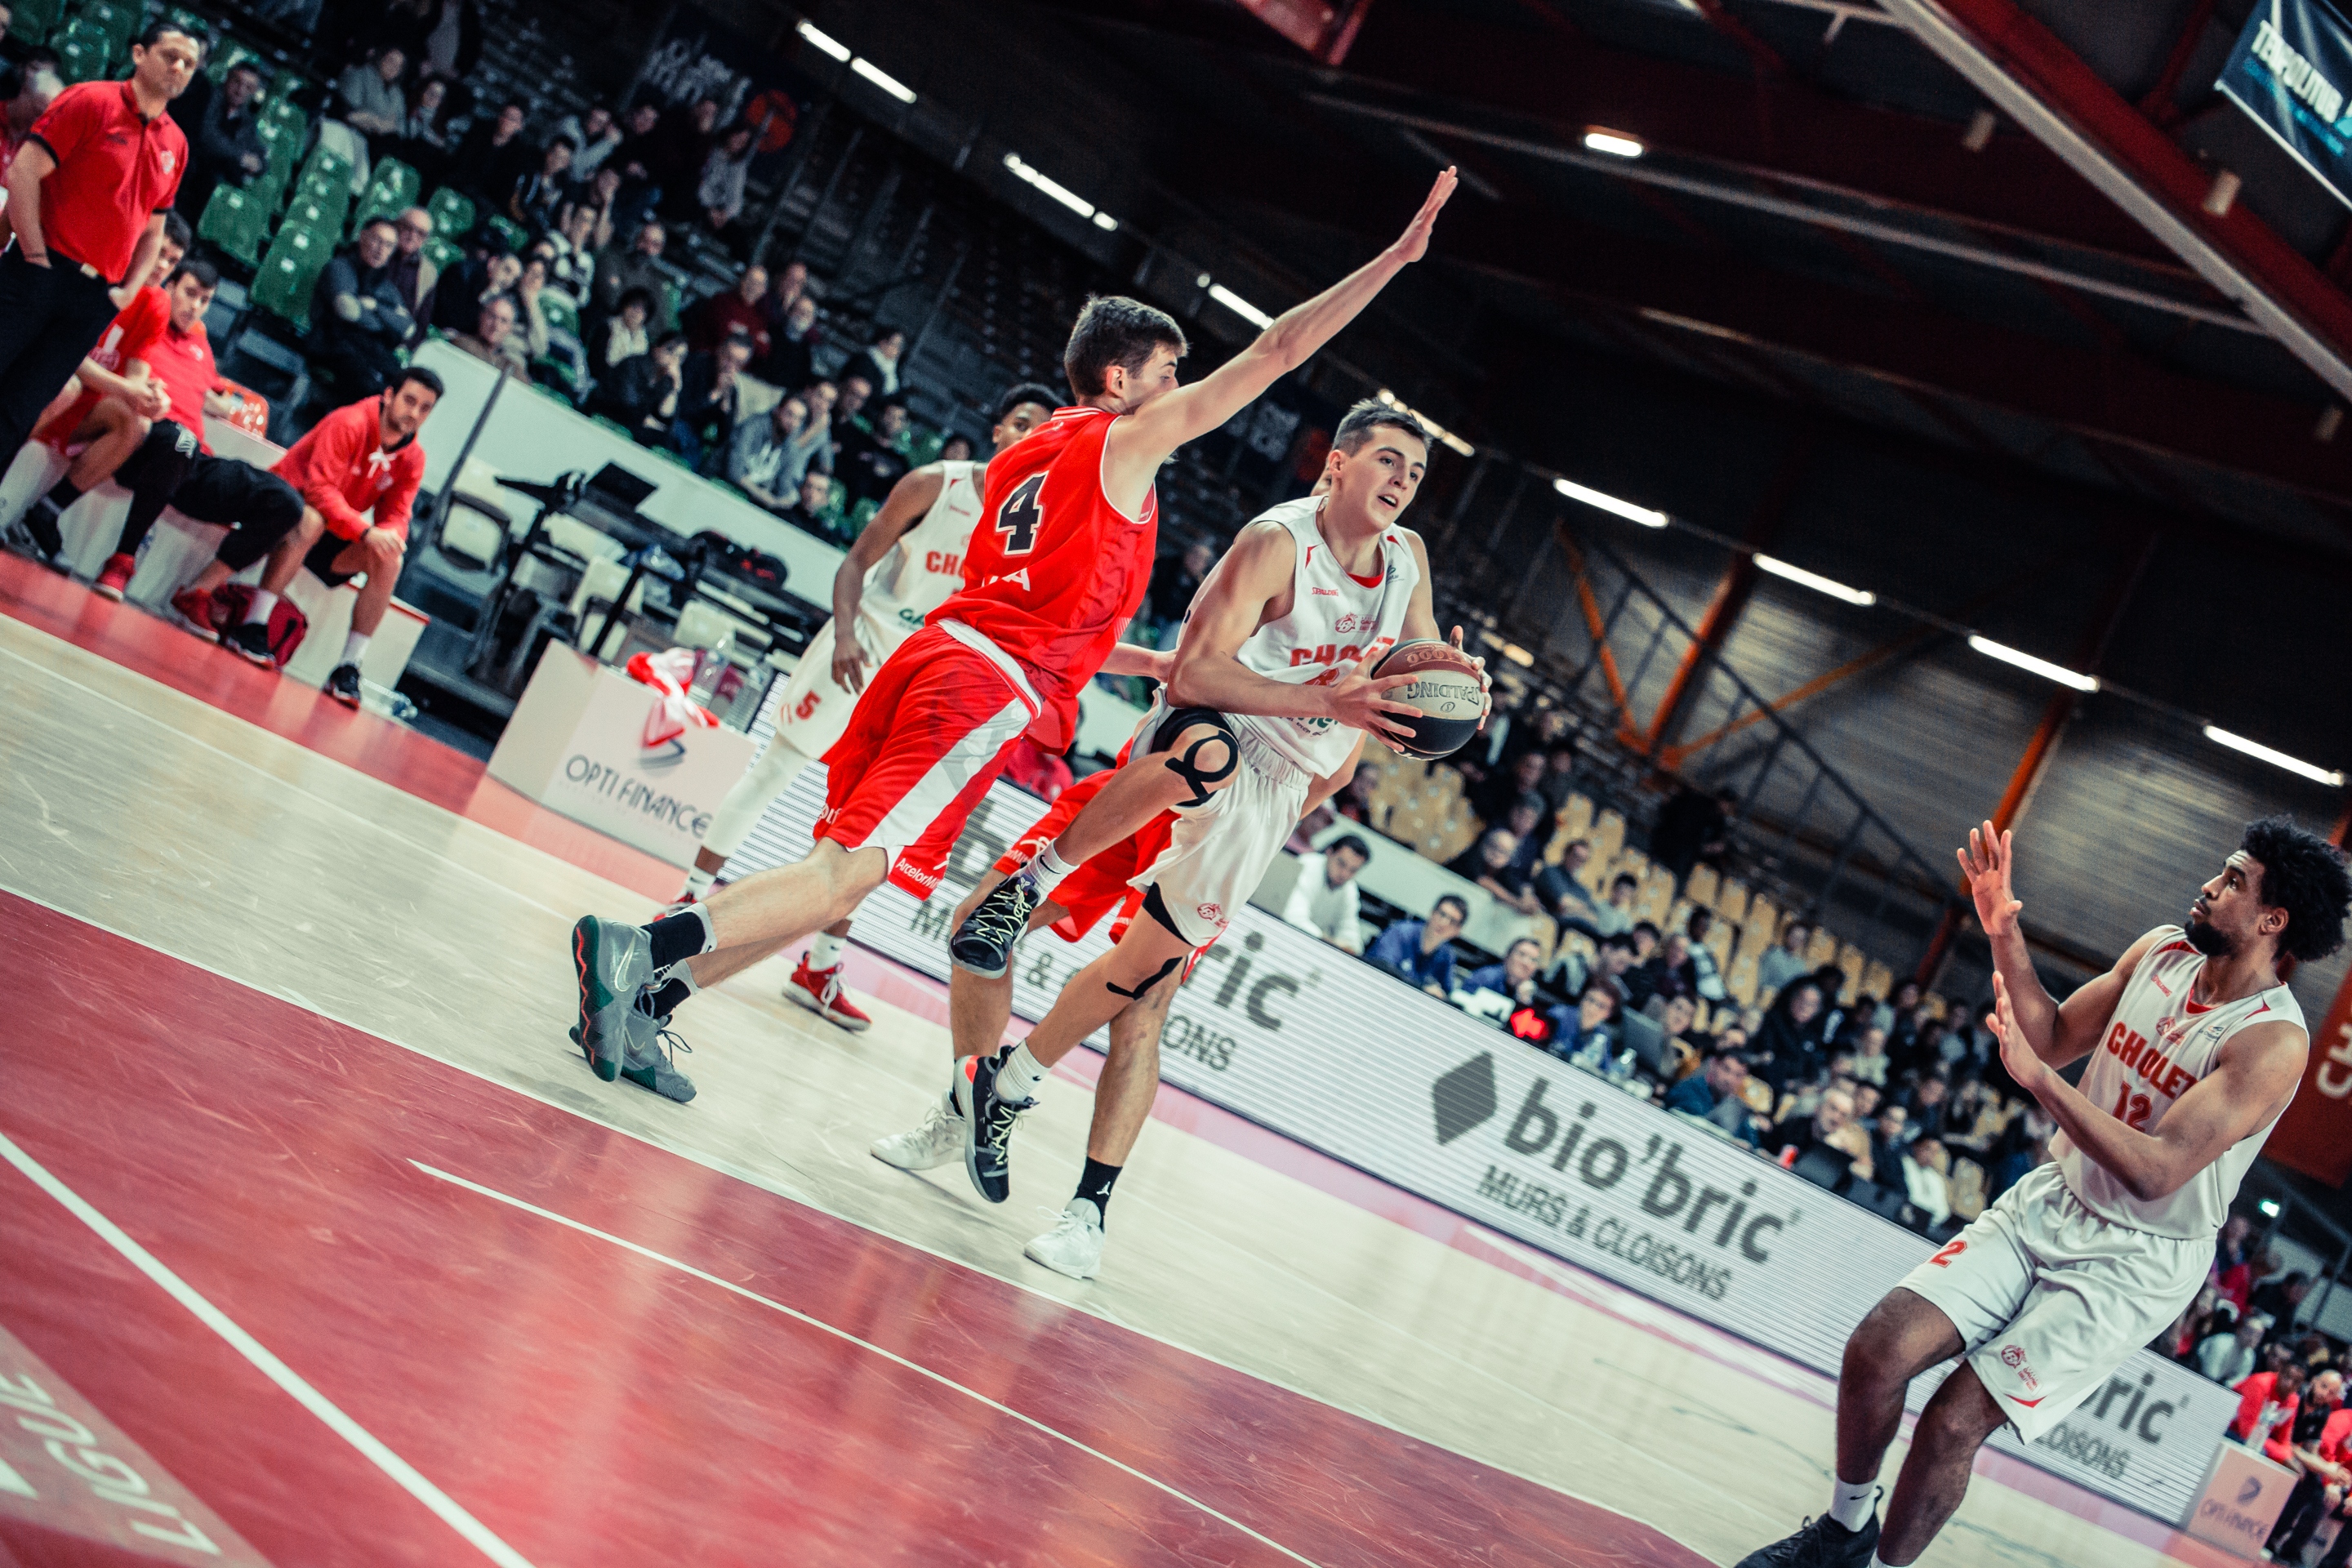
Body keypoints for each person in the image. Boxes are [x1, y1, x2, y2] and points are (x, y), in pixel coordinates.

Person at [565, 170, 1458, 1106]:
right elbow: (1278, 349)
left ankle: (646, 1007)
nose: (1180, 391)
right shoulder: (1122, 442)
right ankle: (639, 949)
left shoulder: (1021, 456)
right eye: (1167, 374)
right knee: (840, 877)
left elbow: (1036, 606)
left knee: (841, 882)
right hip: (981, 686)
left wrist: (1149, 662)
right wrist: (1395, 260)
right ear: (1122, 383)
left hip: (939, 655)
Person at [1740, 817, 2350, 1568]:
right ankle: (1841, 1536)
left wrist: (2041, 1083)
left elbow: (2156, 1169)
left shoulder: (2271, 1041)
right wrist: (2001, 928)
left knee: (1953, 1423)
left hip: (2137, 1259)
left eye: (2231, 881)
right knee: (1878, 1349)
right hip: (2057, 1196)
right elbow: (2054, 1033)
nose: (2209, 886)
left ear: (2271, 920)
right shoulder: (2159, 952)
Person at [943, 396, 1480, 1215]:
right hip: (1196, 744)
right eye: (1387, 463)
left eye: (1414, 473)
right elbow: (1192, 676)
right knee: (984, 921)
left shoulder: (1407, 559)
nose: (1403, 483)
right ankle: (963, 1091)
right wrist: (1331, 706)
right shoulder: (1277, 544)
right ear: (1336, 464)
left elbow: (1412, 666)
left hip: (1275, 791)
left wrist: (1441, 694)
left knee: (1145, 994)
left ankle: (1035, 1134)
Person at [669, 383, 1063, 1025]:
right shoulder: (937, 484)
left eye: (1041, 432)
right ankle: (683, 900)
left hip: (931, 673)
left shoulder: (1034, 527)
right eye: (1019, 423)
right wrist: (847, 633)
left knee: (867, 830)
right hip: (866, 644)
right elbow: (854, 564)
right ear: (996, 430)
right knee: (774, 770)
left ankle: (819, 963)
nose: (1028, 437)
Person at [31, 260, 305, 622]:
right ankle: (122, 562)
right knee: (179, 441)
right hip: (146, 443)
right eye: (190, 293)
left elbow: (215, 395)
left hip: (193, 458)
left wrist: (224, 404)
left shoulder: (201, 341)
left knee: (286, 502)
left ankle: (198, 592)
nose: (196, 307)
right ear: (170, 287)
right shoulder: (146, 318)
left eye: (206, 300)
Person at [0, 24, 197, 475]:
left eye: (189, 63)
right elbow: (25, 174)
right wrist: (32, 256)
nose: (179, 68)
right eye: (170, 55)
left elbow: (155, 228)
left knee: (20, 410)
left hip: (93, 296)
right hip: (39, 268)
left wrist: (128, 292)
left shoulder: (177, 144)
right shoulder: (90, 99)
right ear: (139, 53)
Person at [176, 375, 441, 704]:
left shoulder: (413, 457)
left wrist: (391, 536)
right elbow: (318, 490)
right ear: (389, 395)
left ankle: (348, 666)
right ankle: (254, 624)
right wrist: (365, 531)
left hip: (337, 529)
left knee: (391, 559)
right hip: (287, 509)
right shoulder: (350, 422)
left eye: (425, 408)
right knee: (313, 519)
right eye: (410, 400)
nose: (414, 413)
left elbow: (399, 512)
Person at [16, 211, 189, 564]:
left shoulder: (157, 302)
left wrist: (148, 396)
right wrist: (127, 389)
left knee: (138, 423)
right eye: (162, 253)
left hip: (86, 407)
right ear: (143, 244)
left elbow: (137, 377)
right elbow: (66, 355)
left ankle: (44, 514)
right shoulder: (101, 271)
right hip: (48, 385)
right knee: (67, 386)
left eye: (173, 262)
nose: (163, 267)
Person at [309, 217, 414, 397]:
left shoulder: (387, 287)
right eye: (377, 240)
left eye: (389, 245)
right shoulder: (340, 267)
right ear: (363, 237)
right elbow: (348, 310)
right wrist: (386, 319)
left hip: (370, 351)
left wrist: (374, 306)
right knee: (368, 385)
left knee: (401, 385)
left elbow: (408, 328)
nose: (381, 250)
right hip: (332, 345)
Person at [180, 59, 263, 220]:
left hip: (214, 185)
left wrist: (257, 164)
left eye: (248, 88)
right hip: (191, 169)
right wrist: (240, 156)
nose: (240, 91)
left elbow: (258, 155)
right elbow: (207, 135)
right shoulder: (208, 97)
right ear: (227, 78)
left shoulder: (247, 122)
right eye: (237, 82)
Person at [595, 330, 684, 447]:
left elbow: (664, 417)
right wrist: (646, 420)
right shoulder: (634, 364)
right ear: (656, 348)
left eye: (680, 357)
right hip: (609, 410)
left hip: (635, 422)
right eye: (670, 350)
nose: (673, 359)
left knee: (666, 441)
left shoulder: (667, 382)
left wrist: (674, 389)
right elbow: (627, 400)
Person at [1368, 895, 1468, 998]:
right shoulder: (1402, 932)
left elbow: (1446, 993)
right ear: (1432, 913)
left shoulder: (1447, 955)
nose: (1444, 923)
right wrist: (1422, 989)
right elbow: (1382, 967)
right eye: (1442, 914)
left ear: (1458, 930)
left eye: (1452, 921)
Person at [725, 394, 810, 514]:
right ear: (778, 410)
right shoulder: (754, 426)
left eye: (799, 419)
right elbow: (734, 472)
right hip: (724, 488)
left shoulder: (791, 448)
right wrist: (762, 496)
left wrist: (780, 501)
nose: (793, 422)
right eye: (790, 414)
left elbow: (784, 488)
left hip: (754, 506)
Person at [1281, 834, 1368, 951]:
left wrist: (1351, 948)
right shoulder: (1307, 865)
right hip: (1282, 937)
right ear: (1329, 853)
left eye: (1353, 870)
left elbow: (1349, 929)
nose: (1345, 874)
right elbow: (1293, 918)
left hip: (1310, 949)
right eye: (1341, 864)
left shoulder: (1350, 888)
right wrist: (1331, 942)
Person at [1665, 1047, 1758, 1145]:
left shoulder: (1739, 1110)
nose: (1729, 1079)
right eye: (1726, 1069)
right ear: (1714, 1065)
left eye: (1738, 1075)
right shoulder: (1688, 1088)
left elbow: (1753, 1145)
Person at [332, 44, 405, 150]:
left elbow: (398, 125)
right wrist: (375, 121)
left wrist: (377, 123)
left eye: (398, 66)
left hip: (378, 142)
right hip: (350, 133)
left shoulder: (397, 93)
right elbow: (349, 114)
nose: (393, 68)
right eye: (391, 61)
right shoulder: (362, 74)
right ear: (381, 58)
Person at [690, 262, 771, 359]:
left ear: (763, 291)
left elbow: (764, 351)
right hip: (709, 359)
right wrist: (754, 337)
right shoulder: (721, 301)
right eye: (750, 280)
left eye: (758, 284)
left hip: (736, 370)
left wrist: (743, 332)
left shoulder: (760, 317)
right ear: (742, 281)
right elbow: (723, 336)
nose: (752, 287)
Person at [842, 327, 906, 399]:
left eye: (901, 347)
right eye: (895, 345)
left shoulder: (894, 370)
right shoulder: (863, 361)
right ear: (882, 342)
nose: (898, 350)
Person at [1757, 918, 1814, 996]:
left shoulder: (1801, 965)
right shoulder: (1773, 955)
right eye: (1794, 936)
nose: (1795, 941)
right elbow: (1761, 981)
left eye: (1799, 939)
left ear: (1803, 943)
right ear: (1787, 935)